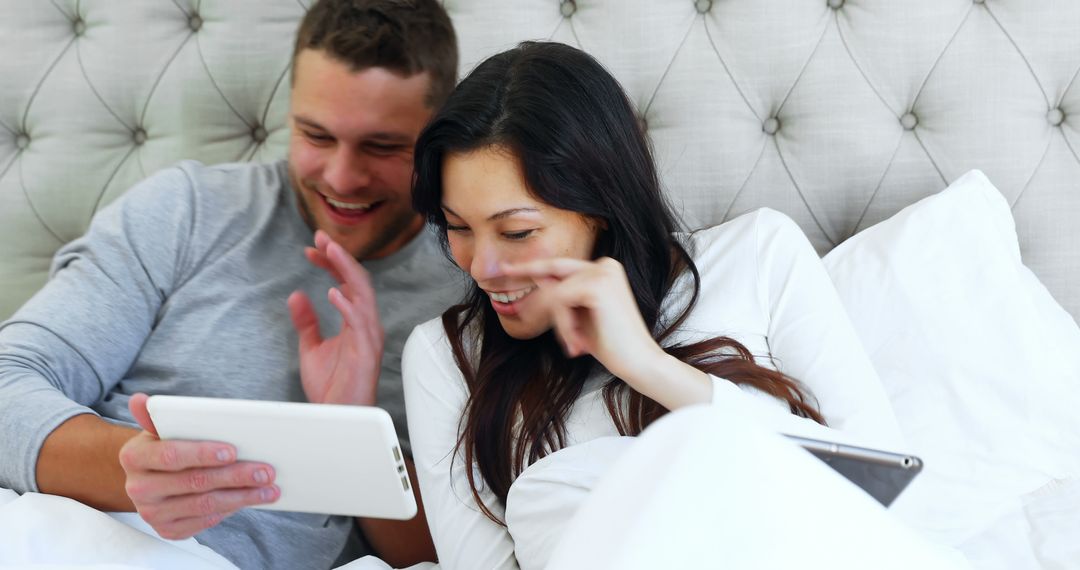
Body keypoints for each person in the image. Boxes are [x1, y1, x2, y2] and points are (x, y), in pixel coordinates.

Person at [398, 41, 908, 568]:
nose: (481, 266)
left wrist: (648, 366)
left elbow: (883, 487)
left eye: (517, 232)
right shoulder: (444, 355)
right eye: (457, 228)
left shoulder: (758, 256)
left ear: (598, 206)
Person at [0, 1, 463, 568]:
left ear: (440, 135)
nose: (342, 178)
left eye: (383, 147)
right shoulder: (188, 210)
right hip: (65, 531)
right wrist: (134, 469)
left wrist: (353, 430)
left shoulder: (476, 289)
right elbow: (8, 379)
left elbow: (465, 544)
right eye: (315, 136)